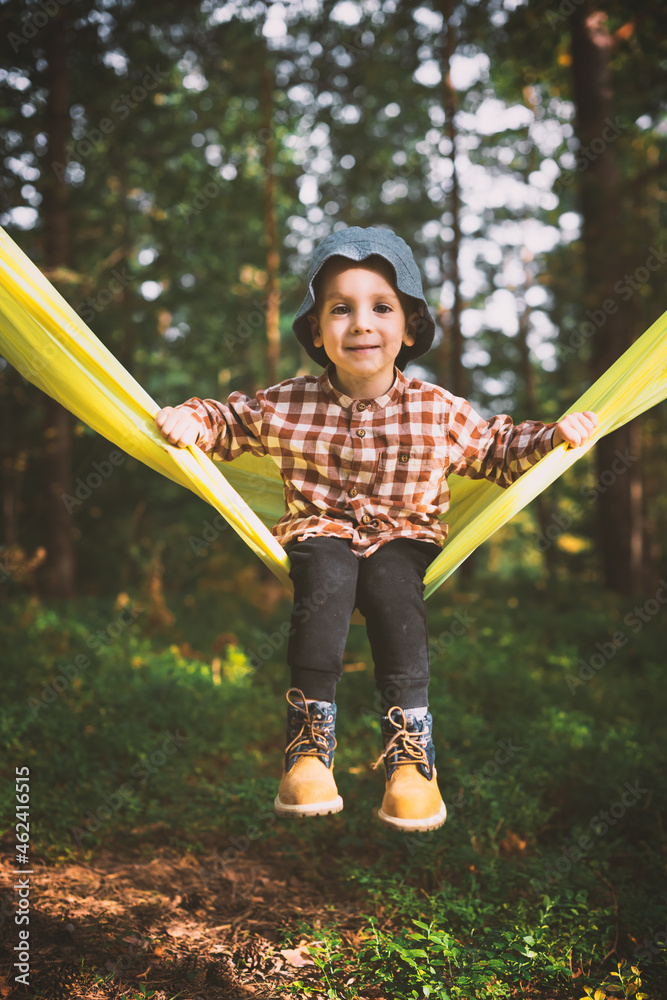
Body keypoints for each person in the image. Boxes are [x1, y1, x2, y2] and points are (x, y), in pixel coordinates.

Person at [155, 226, 598, 833]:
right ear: (316, 331)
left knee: (393, 588)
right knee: (326, 574)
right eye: (340, 309)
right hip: (320, 531)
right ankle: (308, 750)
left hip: (405, 538)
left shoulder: (438, 410)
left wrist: (555, 435)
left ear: (409, 328)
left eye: (381, 307)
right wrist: (189, 419)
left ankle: (410, 763)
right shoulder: (287, 403)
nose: (361, 323)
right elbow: (229, 422)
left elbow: (497, 447)